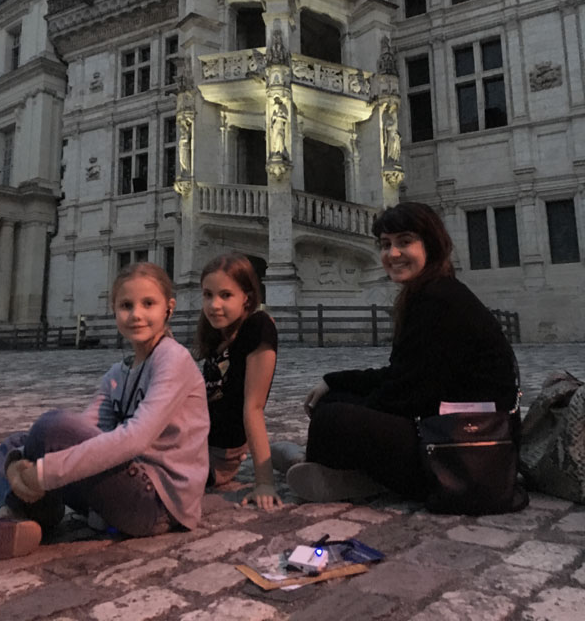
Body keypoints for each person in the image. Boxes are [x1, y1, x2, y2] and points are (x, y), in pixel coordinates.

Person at [285, 202, 521, 504]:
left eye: (405, 241)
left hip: (466, 447)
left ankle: (332, 468)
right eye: (386, 244)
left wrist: (349, 415)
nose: (393, 254)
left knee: (333, 416)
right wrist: (335, 381)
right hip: (448, 426)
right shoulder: (430, 292)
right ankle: (330, 466)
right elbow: (404, 374)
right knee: (334, 400)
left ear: (431, 244)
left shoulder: (440, 300)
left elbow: (408, 394)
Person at [0, 263, 209, 562]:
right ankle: (12, 517)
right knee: (16, 443)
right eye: (126, 305)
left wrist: (43, 473)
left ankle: (17, 511)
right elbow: (86, 429)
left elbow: (136, 438)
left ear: (169, 308)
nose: (136, 314)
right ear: (114, 309)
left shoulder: (173, 359)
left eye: (148, 304)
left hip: (157, 503)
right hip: (122, 488)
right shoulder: (117, 373)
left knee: (50, 426)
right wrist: (18, 462)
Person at [197, 253, 282, 511]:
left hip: (215, 459)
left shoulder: (258, 327)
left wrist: (264, 482)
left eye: (226, 295)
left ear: (247, 296)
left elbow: (253, 406)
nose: (214, 305)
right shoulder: (217, 333)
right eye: (208, 295)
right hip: (195, 441)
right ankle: (290, 456)